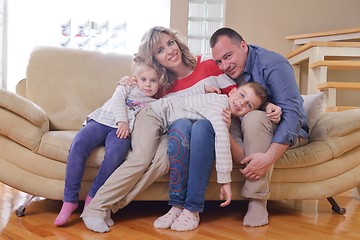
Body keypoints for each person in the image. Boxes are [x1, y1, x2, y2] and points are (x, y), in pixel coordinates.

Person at [80, 26, 247, 233]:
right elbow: (149, 100)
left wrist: (262, 107)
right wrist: (126, 84)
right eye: (160, 50)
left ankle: (111, 207)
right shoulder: (161, 83)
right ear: (154, 59)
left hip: (182, 130)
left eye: (170, 43)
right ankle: (95, 208)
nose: (169, 51)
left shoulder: (208, 64)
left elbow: (239, 96)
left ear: (177, 43)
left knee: (161, 163)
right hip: (159, 122)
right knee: (141, 159)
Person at [209, 27, 309, 227]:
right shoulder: (227, 74)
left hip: (289, 132)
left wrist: (269, 157)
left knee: (253, 118)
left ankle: (257, 201)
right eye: (219, 61)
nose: (225, 66)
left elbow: (293, 115)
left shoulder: (273, 64)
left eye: (228, 56)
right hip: (245, 133)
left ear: (244, 46)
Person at [54, 57, 164, 226]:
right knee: (78, 145)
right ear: (136, 78)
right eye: (143, 79)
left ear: (160, 83)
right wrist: (122, 121)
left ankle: (94, 198)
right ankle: (69, 200)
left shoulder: (155, 102)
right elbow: (117, 100)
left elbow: (176, 100)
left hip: (121, 132)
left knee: (116, 154)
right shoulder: (127, 85)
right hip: (103, 120)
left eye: (153, 81)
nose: (148, 85)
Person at [153, 82, 267, 231]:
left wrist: (226, 130)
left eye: (249, 105)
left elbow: (240, 157)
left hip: (204, 137)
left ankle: (192, 208)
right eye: (241, 95)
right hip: (179, 125)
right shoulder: (214, 101)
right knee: (181, 124)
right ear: (232, 91)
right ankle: (176, 205)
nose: (241, 103)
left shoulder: (232, 123)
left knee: (203, 126)